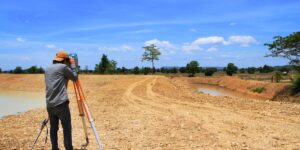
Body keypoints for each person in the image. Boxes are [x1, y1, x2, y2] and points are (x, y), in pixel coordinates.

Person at [45, 50, 78, 150]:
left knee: (53, 128)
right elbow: (75, 77)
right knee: (67, 129)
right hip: (61, 103)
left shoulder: (47, 68)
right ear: (64, 60)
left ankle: (54, 148)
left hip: (50, 104)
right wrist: (73, 65)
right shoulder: (63, 67)